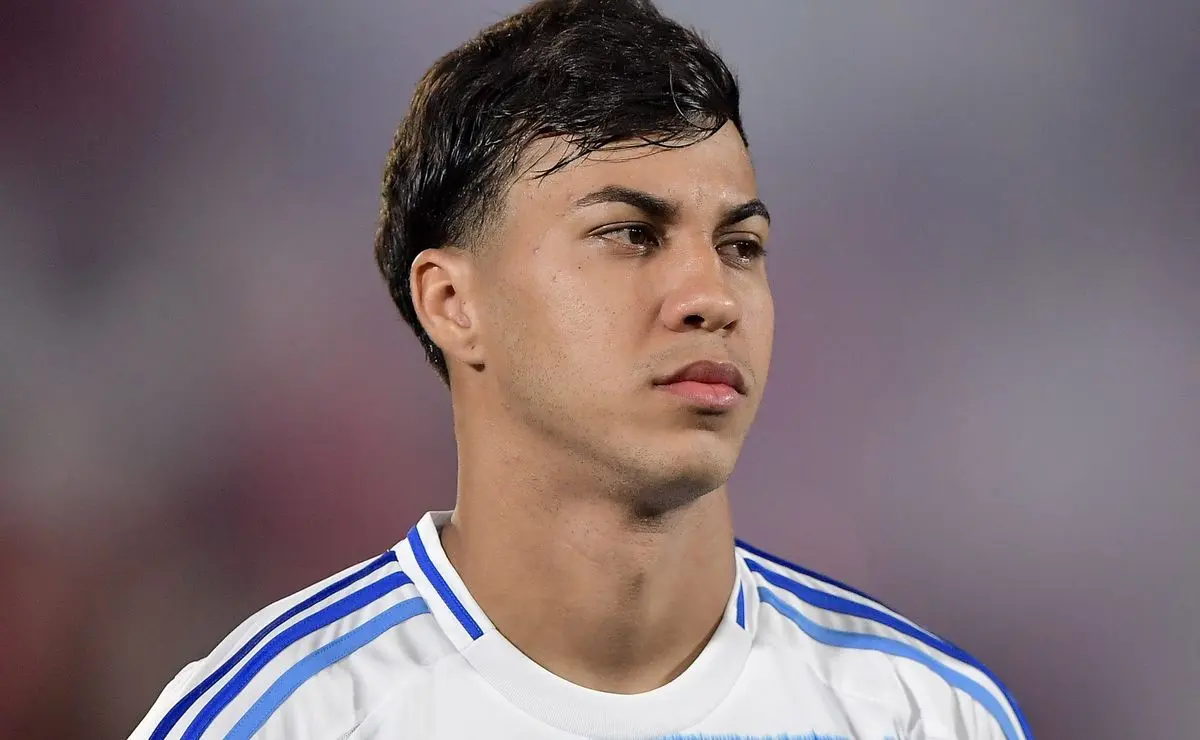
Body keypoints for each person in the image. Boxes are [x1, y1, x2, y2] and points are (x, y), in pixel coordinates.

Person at [131, 1, 1032, 738]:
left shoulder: (926, 715)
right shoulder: (278, 719)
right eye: (629, 234)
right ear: (453, 303)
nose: (710, 296)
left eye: (740, 245)